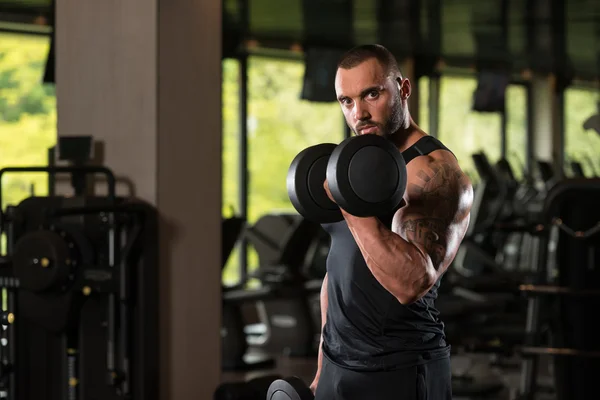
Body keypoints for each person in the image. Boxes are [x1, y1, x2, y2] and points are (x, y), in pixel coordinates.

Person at [311, 44, 474, 399]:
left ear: (403, 89)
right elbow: (339, 269)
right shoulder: (357, 162)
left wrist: (352, 208)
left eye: (372, 94)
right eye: (347, 101)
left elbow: (412, 283)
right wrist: (325, 363)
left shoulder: (434, 172)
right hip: (340, 365)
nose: (359, 114)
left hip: (399, 369)